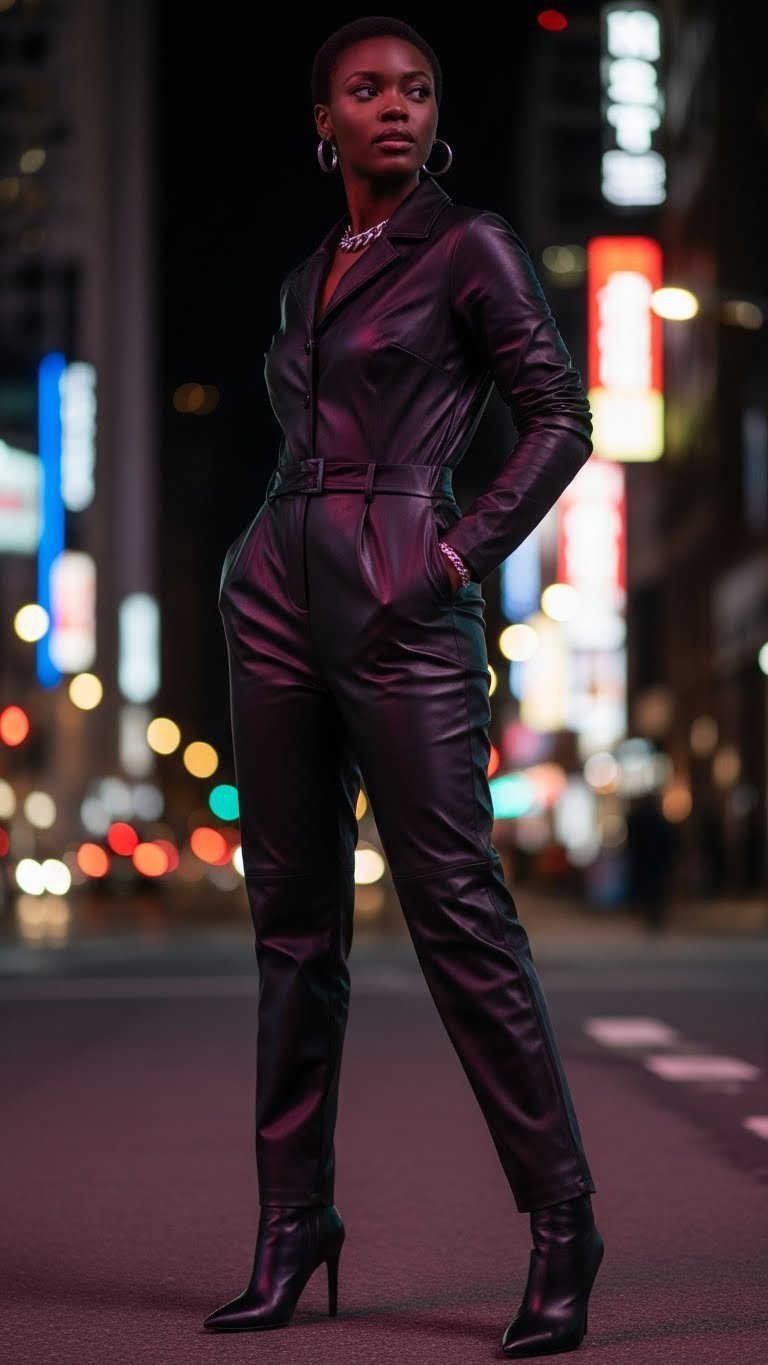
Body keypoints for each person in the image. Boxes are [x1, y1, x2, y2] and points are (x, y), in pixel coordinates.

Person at [204, 15, 603, 1357]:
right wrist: (257, 563)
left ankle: (563, 1224)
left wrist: (449, 559)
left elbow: (561, 419)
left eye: (418, 90)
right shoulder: (310, 271)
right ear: (324, 121)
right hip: (274, 590)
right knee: (292, 928)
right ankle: (289, 1225)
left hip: (404, 596)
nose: (397, 108)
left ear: (438, 117)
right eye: (367, 91)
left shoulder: (469, 247)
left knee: (459, 916)